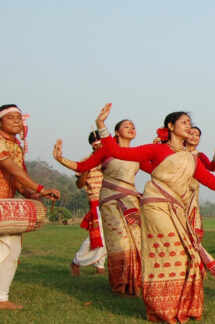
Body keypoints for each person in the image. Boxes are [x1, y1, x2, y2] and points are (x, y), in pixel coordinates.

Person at [94, 103, 215, 324]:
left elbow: (213, 183)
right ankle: (160, 306)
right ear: (170, 126)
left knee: (186, 254)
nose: (188, 126)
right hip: (155, 205)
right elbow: (118, 152)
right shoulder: (157, 149)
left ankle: (179, 304)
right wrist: (102, 125)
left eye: (190, 123)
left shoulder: (191, 158)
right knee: (166, 251)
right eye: (184, 122)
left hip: (177, 208)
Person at [55, 117, 151, 296]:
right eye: (126, 126)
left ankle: (136, 281)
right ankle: (120, 283)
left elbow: (157, 169)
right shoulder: (105, 152)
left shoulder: (137, 153)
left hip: (131, 200)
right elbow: (82, 166)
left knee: (137, 240)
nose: (131, 128)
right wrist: (60, 158)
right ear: (116, 132)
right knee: (118, 241)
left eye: (133, 126)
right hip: (109, 200)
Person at [0, 104, 60, 310]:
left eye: (19, 117)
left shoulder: (15, 146)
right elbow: (11, 168)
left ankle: (2, 298)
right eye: (11, 118)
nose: (17, 121)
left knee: (12, 250)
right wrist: (41, 188)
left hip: (7, 208)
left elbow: (17, 182)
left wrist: (35, 194)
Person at [69, 132, 107, 276]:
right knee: (98, 234)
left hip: (113, 199)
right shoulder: (86, 161)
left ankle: (100, 264)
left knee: (110, 233)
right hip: (97, 200)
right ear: (93, 144)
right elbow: (79, 184)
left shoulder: (110, 159)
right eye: (99, 142)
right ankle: (77, 261)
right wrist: (87, 167)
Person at [185, 126, 215, 241]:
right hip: (176, 191)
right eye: (191, 133)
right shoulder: (177, 153)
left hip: (191, 193)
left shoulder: (199, 156)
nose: (194, 136)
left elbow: (212, 168)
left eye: (197, 135)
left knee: (192, 225)